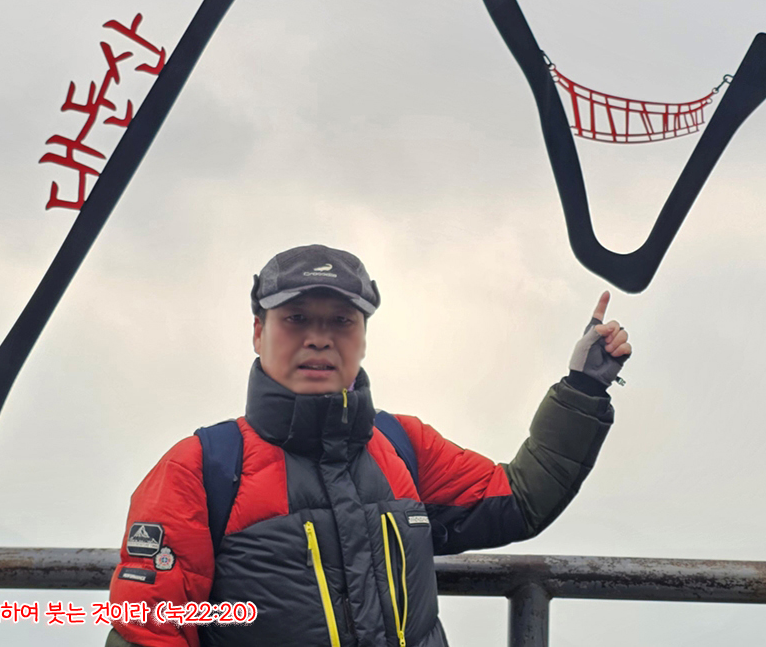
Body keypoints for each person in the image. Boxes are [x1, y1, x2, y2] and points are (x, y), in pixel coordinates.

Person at [106, 243, 631, 647]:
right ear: (258, 332)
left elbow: (518, 499)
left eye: (341, 320)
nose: (319, 338)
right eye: (295, 318)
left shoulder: (403, 444)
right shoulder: (201, 469)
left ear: (362, 337)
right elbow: (147, 633)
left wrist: (583, 387)